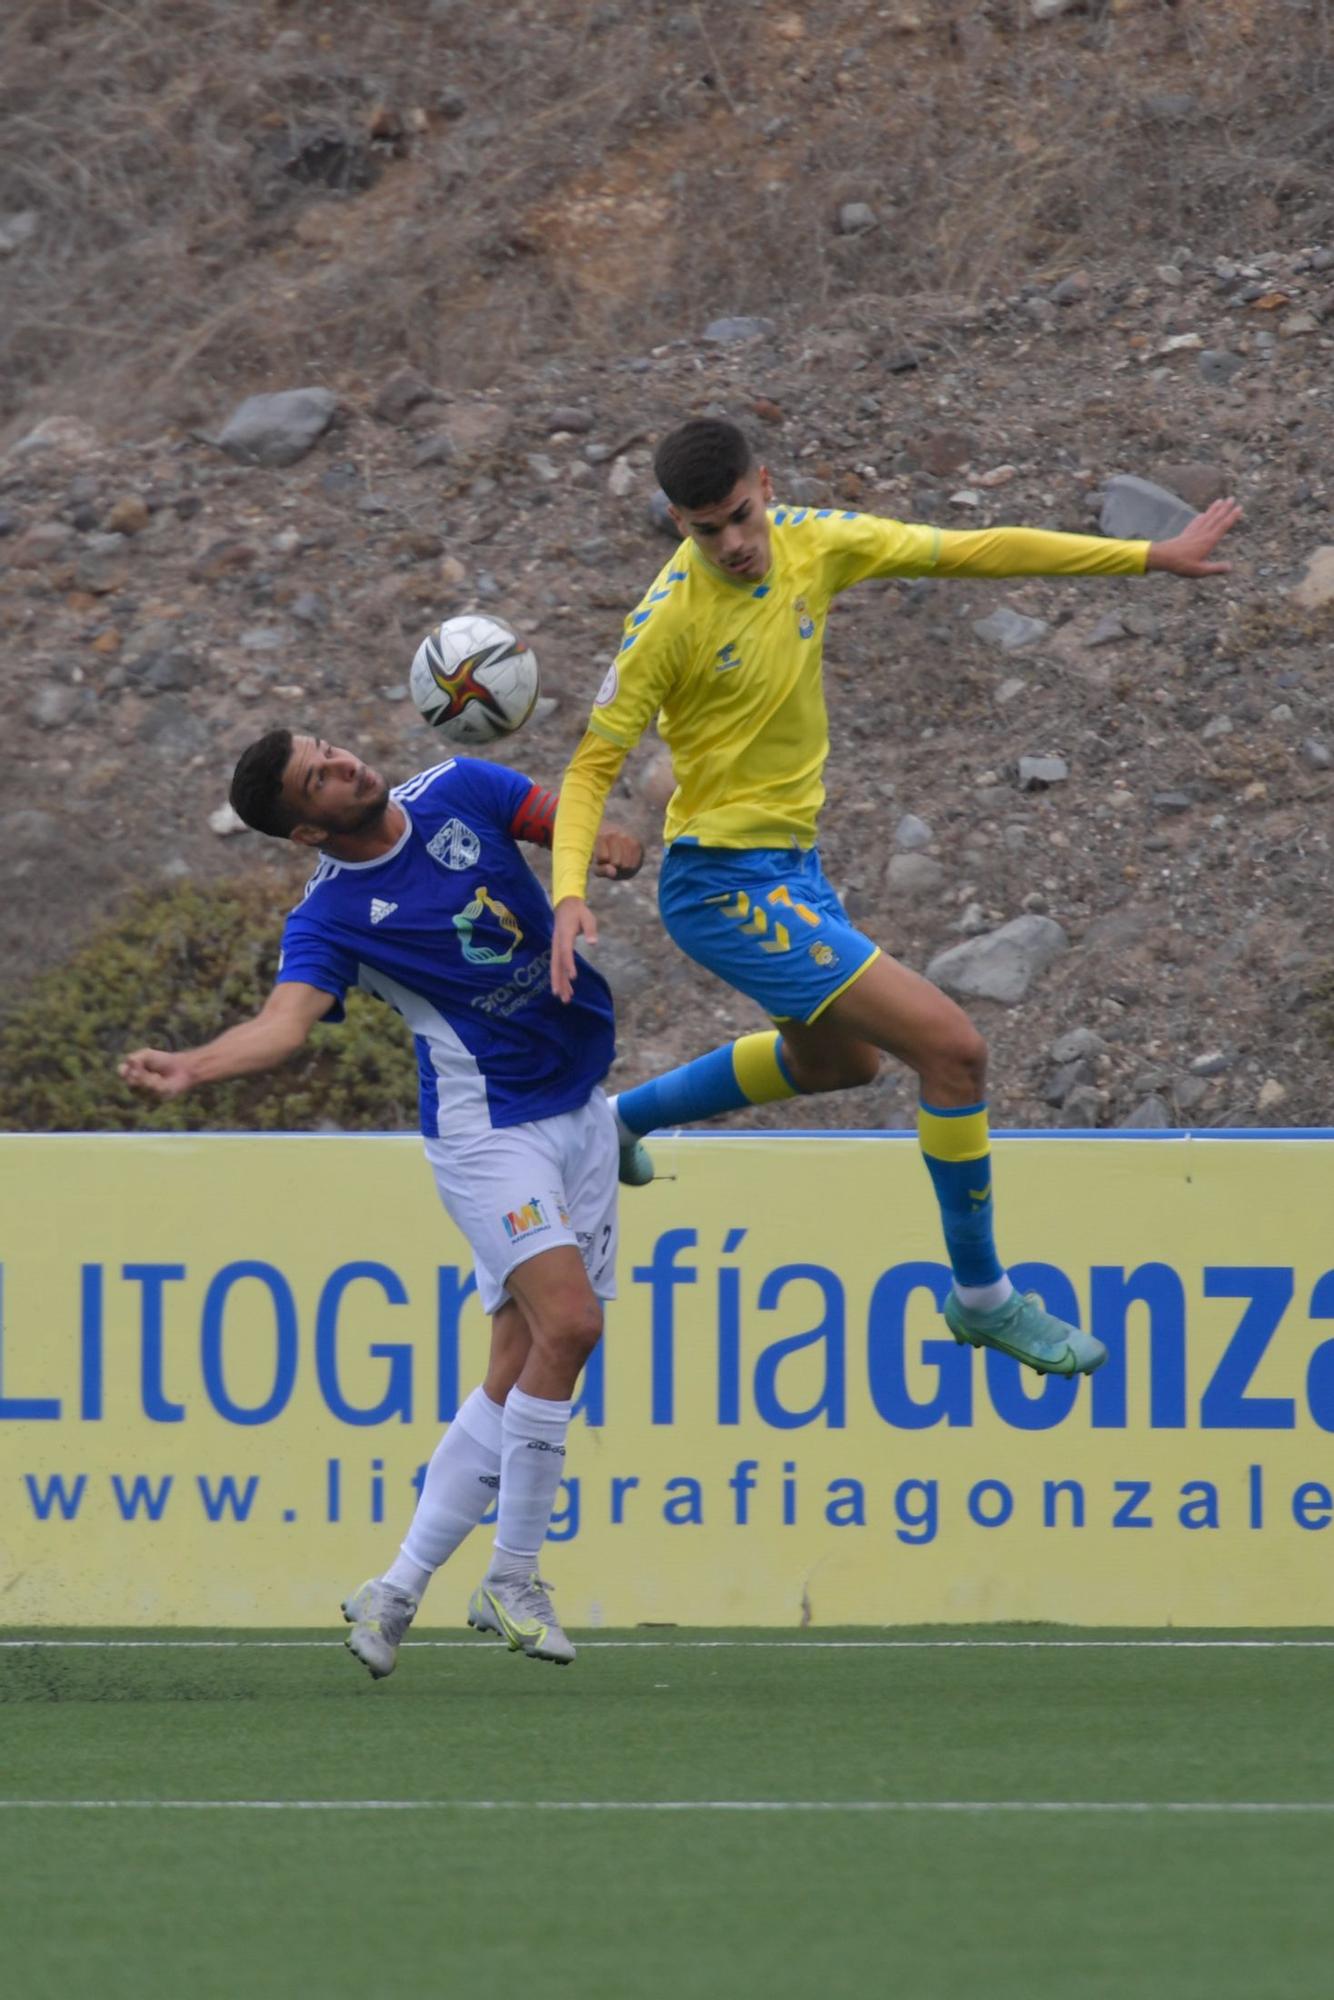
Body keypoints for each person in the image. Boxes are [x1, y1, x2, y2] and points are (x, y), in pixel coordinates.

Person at [550, 416, 1242, 1380]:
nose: (733, 544)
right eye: (705, 531)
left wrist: (1147, 555)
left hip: (792, 871)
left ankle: (620, 1121)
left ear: (766, 482)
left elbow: (974, 550)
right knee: (954, 1050)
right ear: (678, 523)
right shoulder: (667, 622)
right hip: (718, 884)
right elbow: (591, 767)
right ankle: (984, 1299)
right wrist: (568, 894)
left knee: (842, 1064)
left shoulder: (815, 542)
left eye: (742, 517)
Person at [119, 728, 643, 1678]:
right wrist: (191, 1067)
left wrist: (599, 840)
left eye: (330, 747)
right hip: (491, 1134)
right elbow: (284, 1026)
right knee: (571, 1326)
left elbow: (556, 812)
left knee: (517, 1364)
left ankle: (396, 1590)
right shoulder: (330, 917)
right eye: (315, 776)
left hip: (582, 1107)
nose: (343, 764)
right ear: (305, 830)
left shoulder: (460, 787)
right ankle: (512, 1579)